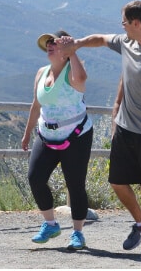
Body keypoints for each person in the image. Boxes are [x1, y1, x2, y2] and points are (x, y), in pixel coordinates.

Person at [58, 0, 141, 260]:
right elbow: (101, 39)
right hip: (126, 129)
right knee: (117, 181)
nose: (121, 26)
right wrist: (77, 44)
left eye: (124, 22)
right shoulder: (127, 43)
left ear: (136, 23)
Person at [21, 30, 93, 251]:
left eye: (56, 43)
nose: (50, 45)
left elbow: (82, 81)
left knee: (75, 184)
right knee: (35, 178)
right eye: (49, 43)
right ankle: (50, 224)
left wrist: (73, 52)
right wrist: (27, 133)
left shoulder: (73, 72)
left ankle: (78, 233)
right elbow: (36, 104)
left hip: (76, 135)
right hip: (47, 134)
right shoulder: (41, 73)